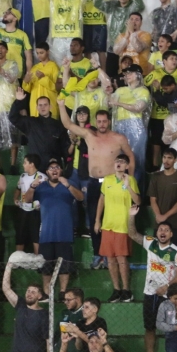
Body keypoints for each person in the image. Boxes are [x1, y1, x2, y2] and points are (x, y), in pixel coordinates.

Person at [58, 102, 135, 272]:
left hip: (113, 184)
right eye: (99, 121)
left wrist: (130, 179)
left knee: (114, 221)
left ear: (109, 121)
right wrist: (62, 105)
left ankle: (113, 256)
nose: (101, 124)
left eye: (104, 121)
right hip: (93, 184)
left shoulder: (118, 138)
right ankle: (98, 254)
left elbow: (130, 156)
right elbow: (67, 124)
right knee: (94, 221)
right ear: (95, 122)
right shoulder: (89, 135)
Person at [128, 205, 177, 352]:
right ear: (157, 233)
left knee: (173, 329)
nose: (163, 232)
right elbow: (132, 234)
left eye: (167, 230)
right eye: (161, 229)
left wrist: (166, 286)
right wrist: (131, 215)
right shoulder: (150, 243)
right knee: (149, 328)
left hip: (170, 296)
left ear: (171, 234)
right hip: (150, 293)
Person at [24, 158, 84, 299]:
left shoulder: (68, 184)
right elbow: (26, 200)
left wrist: (68, 185)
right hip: (46, 235)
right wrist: (32, 187)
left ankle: (62, 292)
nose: (54, 170)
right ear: (47, 172)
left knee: (64, 266)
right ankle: (46, 293)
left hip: (64, 233)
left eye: (57, 167)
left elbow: (81, 198)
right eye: (51, 168)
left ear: (61, 170)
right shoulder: (42, 186)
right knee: (46, 268)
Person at [95, 154, 140, 303]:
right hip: (108, 225)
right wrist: (97, 220)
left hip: (123, 225)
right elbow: (101, 200)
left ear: (127, 166)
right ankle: (116, 290)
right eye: (117, 161)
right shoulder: (107, 180)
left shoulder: (131, 180)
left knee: (121, 259)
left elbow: (138, 201)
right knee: (110, 259)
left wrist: (127, 186)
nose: (119, 163)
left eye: (122, 162)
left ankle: (127, 290)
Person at [93, 0, 145, 77]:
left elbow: (141, 5)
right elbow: (97, 4)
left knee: (127, 73)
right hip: (113, 45)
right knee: (111, 73)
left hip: (128, 46)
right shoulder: (112, 5)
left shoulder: (133, 6)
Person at [10, 89, 70, 172]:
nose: (43, 107)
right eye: (40, 105)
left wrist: (67, 166)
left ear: (50, 106)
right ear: (36, 107)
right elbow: (13, 117)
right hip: (36, 168)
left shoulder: (58, 125)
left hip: (53, 168)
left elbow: (65, 148)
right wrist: (18, 101)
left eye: (45, 105)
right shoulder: (30, 122)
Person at [2, 261, 50, 352]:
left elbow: (48, 338)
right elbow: (6, 288)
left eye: (33, 292)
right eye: (28, 291)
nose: (29, 294)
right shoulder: (21, 305)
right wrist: (9, 266)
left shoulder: (44, 314)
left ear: (39, 296)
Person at [148, 148, 177, 248]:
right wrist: (158, 215)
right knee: (158, 256)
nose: (166, 160)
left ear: (175, 160)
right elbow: (152, 199)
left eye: (170, 158)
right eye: (164, 157)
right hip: (159, 224)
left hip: (175, 223)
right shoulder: (156, 176)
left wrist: (165, 216)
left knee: (175, 256)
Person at [0, 1, 32, 79]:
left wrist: (28, 73)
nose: (5, 14)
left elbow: (28, 56)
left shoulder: (22, 35)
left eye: (9, 13)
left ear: (15, 18)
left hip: (15, 75)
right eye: (5, 12)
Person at [14, 154, 45, 254]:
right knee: (20, 235)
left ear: (32, 164)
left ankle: (38, 261)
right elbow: (18, 188)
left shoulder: (42, 177)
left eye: (25, 163)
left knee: (36, 236)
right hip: (23, 210)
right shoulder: (22, 176)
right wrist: (15, 198)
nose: (23, 165)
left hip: (36, 211)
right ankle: (17, 261)